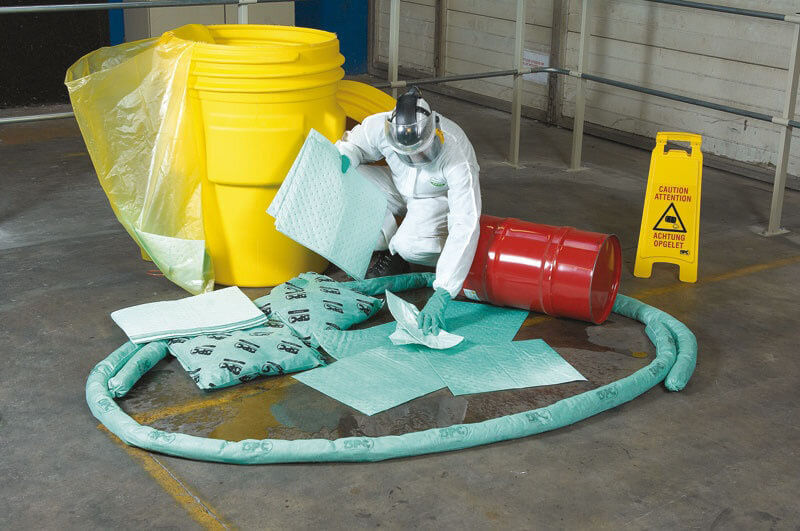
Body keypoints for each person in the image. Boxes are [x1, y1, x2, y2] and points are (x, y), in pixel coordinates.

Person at [336, 86, 481, 336]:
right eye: (408, 154)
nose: (415, 159)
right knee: (349, 177)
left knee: (409, 246)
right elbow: (354, 145)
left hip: (434, 200)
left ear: (434, 132)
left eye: (422, 151)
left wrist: (444, 291)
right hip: (398, 186)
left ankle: (401, 252)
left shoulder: (456, 154)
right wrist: (342, 160)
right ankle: (383, 247)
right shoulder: (381, 126)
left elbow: (465, 222)